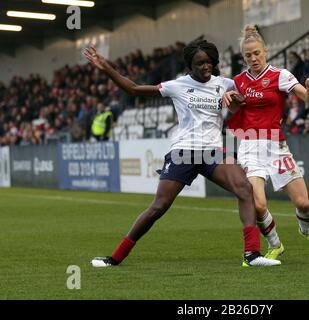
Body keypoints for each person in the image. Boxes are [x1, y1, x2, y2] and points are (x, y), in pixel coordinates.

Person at [84, 40, 280, 268]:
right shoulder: (177, 85)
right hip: (184, 152)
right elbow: (134, 89)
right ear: (190, 66)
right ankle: (115, 257)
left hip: (212, 152)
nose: (206, 67)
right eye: (200, 64)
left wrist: (239, 100)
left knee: (244, 188)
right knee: (159, 207)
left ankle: (252, 254)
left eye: (209, 62)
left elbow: (245, 101)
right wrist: (106, 67)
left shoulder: (225, 84)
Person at [223, 25, 309, 260]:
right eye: (248, 55)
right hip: (249, 146)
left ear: (265, 51)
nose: (253, 58)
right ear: (243, 57)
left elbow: (307, 99)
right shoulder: (238, 82)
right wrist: (229, 101)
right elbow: (231, 108)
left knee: (302, 203)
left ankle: (306, 230)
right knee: (258, 204)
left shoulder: (280, 75)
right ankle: (275, 243)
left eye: (257, 53)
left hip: (275, 146)